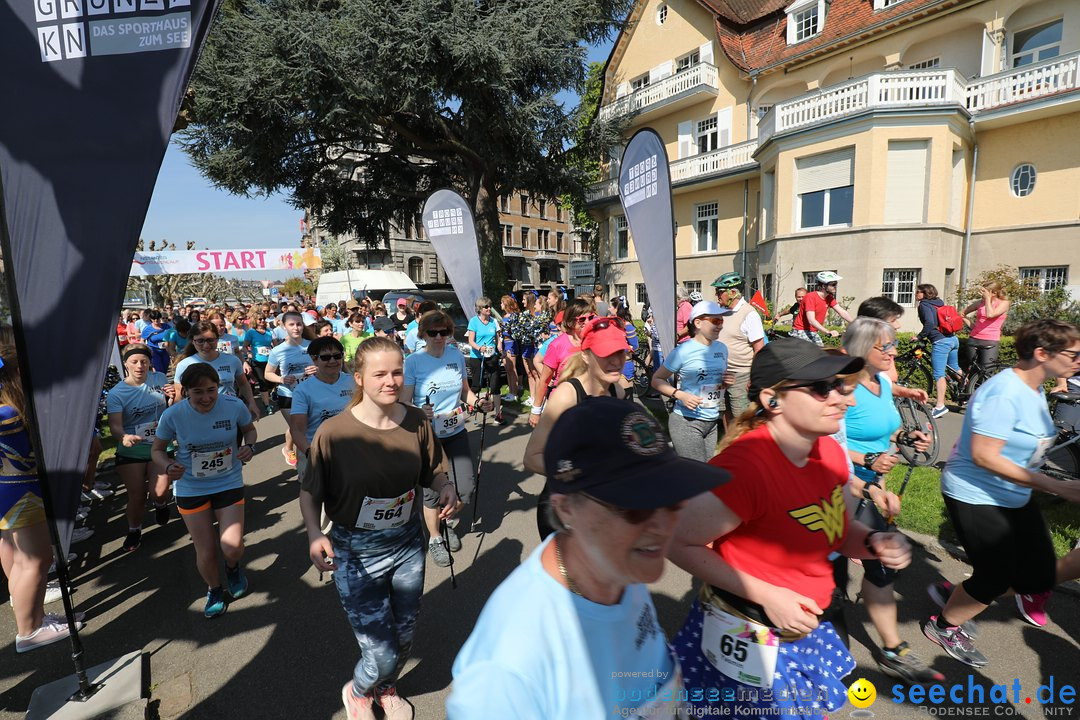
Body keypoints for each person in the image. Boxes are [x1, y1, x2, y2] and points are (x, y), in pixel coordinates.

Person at [667, 338, 912, 716]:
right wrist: (768, 596)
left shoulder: (827, 450)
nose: (843, 398)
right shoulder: (745, 469)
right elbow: (678, 543)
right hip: (751, 629)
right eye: (821, 387)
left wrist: (874, 542)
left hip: (805, 622)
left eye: (841, 386)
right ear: (772, 400)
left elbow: (838, 531)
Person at [449, 397, 730, 718]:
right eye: (634, 507)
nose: (664, 525)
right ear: (566, 508)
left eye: (671, 499)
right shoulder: (510, 666)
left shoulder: (617, 565)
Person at [300, 336, 457, 720]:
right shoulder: (334, 433)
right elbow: (310, 492)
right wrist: (314, 534)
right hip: (356, 553)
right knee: (380, 649)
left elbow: (433, 471)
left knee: (403, 636)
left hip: (406, 545)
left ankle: (386, 689)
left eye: (397, 372)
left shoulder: (418, 421)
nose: (391, 381)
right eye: (380, 374)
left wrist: (446, 486)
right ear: (359, 378)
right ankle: (356, 692)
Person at [924, 319, 1080, 666]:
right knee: (997, 575)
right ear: (1042, 353)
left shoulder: (1034, 386)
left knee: (1037, 572)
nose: (1078, 360)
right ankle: (945, 625)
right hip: (975, 494)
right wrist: (1056, 485)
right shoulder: (1003, 392)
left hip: (1013, 494)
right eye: (1073, 354)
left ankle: (960, 595)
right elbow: (983, 455)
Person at [839, 318, 938, 682]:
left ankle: (889, 645)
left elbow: (887, 428)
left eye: (893, 344)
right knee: (865, 565)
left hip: (875, 486)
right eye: (885, 346)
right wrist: (865, 460)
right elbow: (826, 444)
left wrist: (908, 435)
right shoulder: (843, 388)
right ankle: (881, 646)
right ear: (863, 349)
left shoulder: (881, 382)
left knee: (878, 565)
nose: (894, 351)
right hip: (841, 487)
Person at [0, 338, 86, 652]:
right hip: (21, 493)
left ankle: (32, 616)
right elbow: (29, 456)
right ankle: (29, 630)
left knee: (15, 554)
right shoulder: (8, 411)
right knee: (35, 560)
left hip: (9, 494)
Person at [152, 363, 257, 618]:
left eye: (212, 390)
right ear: (186, 390)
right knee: (206, 550)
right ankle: (214, 589)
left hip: (228, 482)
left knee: (232, 546)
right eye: (198, 392)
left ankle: (232, 567)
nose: (207, 397)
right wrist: (168, 466)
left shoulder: (233, 406)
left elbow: (250, 431)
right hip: (191, 487)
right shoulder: (173, 415)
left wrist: (249, 447)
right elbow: (156, 450)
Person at [524, 315, 629, 539]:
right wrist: (581, 474)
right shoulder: (567, 395)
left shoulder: (617, 391)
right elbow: (532, 457)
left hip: (602, 506)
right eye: (606, 353)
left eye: (620, 352)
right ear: (586, 356)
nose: (616, 361)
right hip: (563, 512)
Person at [403, 310, 492, 568]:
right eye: (433, 332)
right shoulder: (414, 362)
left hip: (455, 431)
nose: (440, 337)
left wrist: (479, 403)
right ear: (423, 334)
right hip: (427, 436)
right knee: (432, 492)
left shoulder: (455, 355)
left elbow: (465, 391)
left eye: (445, 332)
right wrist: (418, 411)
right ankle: (434, 538)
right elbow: (403, 402)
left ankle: (448, 522)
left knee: (465, 487)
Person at [107, 344, 175, 552]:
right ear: (126, 364)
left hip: (160, 445)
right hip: (132, 449)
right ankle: (134, 530)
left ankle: (161, 504)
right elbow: (115, 426)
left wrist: (173, 397)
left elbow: (174, 407)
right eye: (134, 362)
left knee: (160, 492)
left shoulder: (160, 379)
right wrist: (124, 436)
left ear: (150, 363)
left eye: (144, 361)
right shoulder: (117, 393)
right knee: (137, 495)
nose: (139, 366)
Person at [651, 300, 734, 462]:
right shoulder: (683, 351)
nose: (720, 326)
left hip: (712, 421)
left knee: (707, 471)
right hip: (687, 422)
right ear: (698, 322)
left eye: (722, 321)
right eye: (715, 321)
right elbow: (657, 379)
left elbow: (714, 382)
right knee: (698, 475)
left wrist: (725, 382)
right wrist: (680, 395)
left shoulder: (722, 348)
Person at [289, 336, 356, 485]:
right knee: (317, 502)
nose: (332, 361)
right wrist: (310, 453)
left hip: (350, 452)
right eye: (325, 357)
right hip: (317, 453)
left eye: (337, 356)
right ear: (314, 359)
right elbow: (297, 429)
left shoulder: (353, 382)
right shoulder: (303, 390)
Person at [174, 322, 261, 421]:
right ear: (193, 341)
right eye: (200, 341)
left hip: (230, 412)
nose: (206, 346)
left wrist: (251, 402)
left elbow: (243, 383)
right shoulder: (184, 365)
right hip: (198, 416)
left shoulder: (232, 360)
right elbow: (179, 394)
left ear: (217, 339)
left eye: (210, 340)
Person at [529, 298, 595, 427]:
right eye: (582, 319)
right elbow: (544, 380)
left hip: (589, 402)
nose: (587, 322)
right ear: (570, 322)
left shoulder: (594, 340)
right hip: (564, 403)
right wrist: (536, 411)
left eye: (590, 317)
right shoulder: (557, 345)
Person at [712, 272, 766, 423]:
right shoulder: (721, 311)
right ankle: (730, 444)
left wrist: (754, 377)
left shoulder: (749, 314)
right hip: (721, 371)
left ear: (733, 292)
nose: (717, 295)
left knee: (741, 418)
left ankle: (745, 445)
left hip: (741, 375)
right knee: (724, 411)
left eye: (720, 292)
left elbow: (759, 349)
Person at [265, 311, 315, 467]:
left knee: (306, 426)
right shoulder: (278, 350)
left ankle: (289, 448)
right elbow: (268, 374)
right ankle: (303, 465)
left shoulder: (312, 345)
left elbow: (323, 365)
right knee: (298, 427)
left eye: (299, 324)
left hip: (310, 393)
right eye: (291, 324)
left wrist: (316, 369)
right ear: (284, 326)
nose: (296, 328)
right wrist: (281, 379)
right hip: (288, 394)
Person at [916, 283, 960, 419]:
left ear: (925, 293)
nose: (916, 293)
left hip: (941, 342)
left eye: (918, 291)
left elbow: (929, 323)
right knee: (955, 368)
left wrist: (919, 336)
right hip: (953, 339)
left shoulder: (924, 305)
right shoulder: (938, 303)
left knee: (939, 374)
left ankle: (940, 406)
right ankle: (969, 393)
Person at [466, 297, 504, 424]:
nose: (489, 309)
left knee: (495, 386)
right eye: (486, 307)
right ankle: (472, 403)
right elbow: (470, 340)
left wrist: (500, 348)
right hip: (477, 356)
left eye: (490, 306)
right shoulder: (474, 322)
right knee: (477, 385)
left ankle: (498, 414)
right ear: (479, 309)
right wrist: (479, 348)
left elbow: (498, 339)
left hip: (492, 356)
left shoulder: (494, 321)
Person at [792, 271, 854, 345]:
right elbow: (811, 320)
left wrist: (857, 324)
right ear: (823, 286)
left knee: (820, 352)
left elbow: (842, 312)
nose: (836, 286)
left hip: (813, 331)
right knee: (817, 351)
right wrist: (828, 332)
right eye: (833, 284)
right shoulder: (811, 297)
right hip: (800, 331)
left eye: (836, 284)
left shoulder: (829, 298)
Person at [963, 281, 1010, 371]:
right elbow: (962, 313)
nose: (982, 294)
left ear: (994, 293)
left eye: (984, 291)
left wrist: (988, 300)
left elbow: (990, 314)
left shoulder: (1004, 303)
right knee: (972, 371)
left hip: (990, 340)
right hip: (974, 338)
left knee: (987, 371)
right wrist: (972, 325)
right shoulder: (980, 303)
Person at [243, 315, 275, 412]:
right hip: (257, 361)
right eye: (260, 319)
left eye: (263, 319)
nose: (262, 320)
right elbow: (245, 346)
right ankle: (267, 405)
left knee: (271, 383)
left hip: (270, 360)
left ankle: (265, 395)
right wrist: (248, 353)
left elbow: (275, 345)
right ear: (255, 320)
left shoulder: (269, 331)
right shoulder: (251, 332)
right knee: (262, 382)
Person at [498, 295, 521, 403]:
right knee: (508, 369)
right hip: (504, 343)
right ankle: (510, 391)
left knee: (512, 368)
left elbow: (516, 332)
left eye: (502, 303)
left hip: (511, 343)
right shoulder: (505, 316)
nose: (500, 305)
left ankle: (514, 393)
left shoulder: (513, 316)